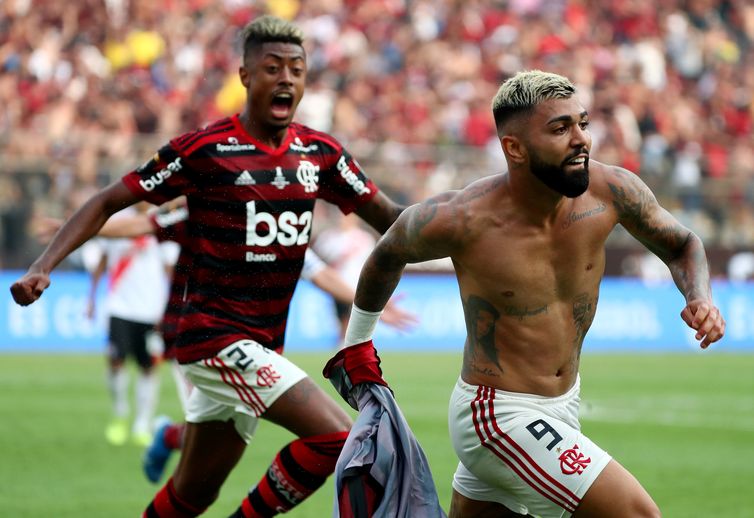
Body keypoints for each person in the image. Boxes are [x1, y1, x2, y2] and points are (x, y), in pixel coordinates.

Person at [10, 15, 406, 517]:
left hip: (260, 343)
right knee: (336, 438)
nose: (286, 78)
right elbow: (111, 201)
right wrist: (44, 264)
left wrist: (467, 223)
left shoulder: (320, 155)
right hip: (211, 338)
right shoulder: (205, 150)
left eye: (297, 69)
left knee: (192, 495)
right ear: (244, 76)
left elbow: (393, 218)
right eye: (272, 67)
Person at [337, 70, 725, 517]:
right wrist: (356, 345)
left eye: (582, 123)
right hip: (496, 415)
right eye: (560, 129)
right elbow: (388, 252)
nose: (581, 139)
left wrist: (700, 297)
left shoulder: (613, 190)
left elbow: (682, 244)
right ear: (514, 148)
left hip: (562, 406)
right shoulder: (464, 218)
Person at [90, 202, 416, 483]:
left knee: (211, 431)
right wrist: (80, 228)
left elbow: (321, 274)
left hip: (257, 346)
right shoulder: (209, 212)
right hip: (205, 344)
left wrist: (374, 306)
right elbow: (141, 225)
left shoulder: (280, 226)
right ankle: (173, 450)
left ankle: (169, 437)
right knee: (326, 435)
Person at [83, 203, 179, 446]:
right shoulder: (118, 222)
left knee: (149, 367)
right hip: (120, 306)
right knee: (116, 362)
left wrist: (169, 308)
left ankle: (142, 423)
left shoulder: (162, 224)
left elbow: (170, 271)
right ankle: (120, 413)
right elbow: (103, 261)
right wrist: (92, 298)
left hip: (151, 310)